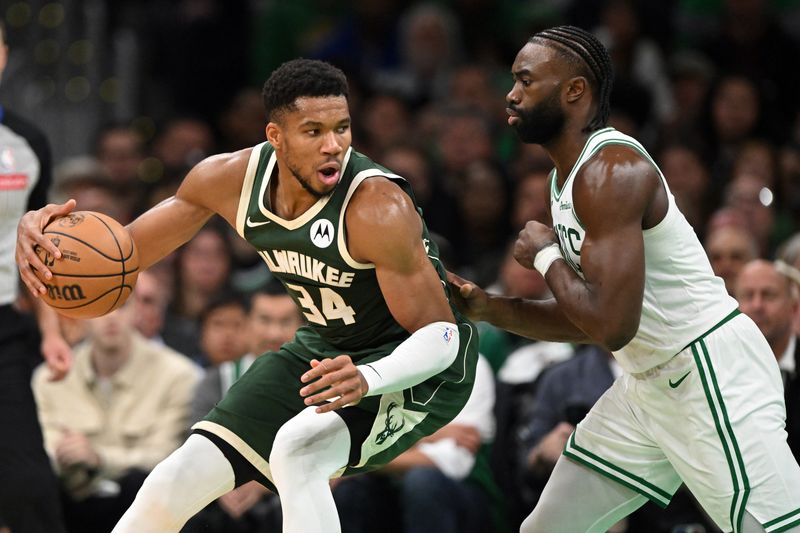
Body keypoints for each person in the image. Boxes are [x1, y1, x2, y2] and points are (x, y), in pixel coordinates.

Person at [17, 58, 477, 533]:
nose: (333, 145)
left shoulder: (377, 207)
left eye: (342, 128)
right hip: (325, 351)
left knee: (297, 452)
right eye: (313, 131)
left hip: (415, 369)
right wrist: (42, 243)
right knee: (172, 480)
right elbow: (121, 256)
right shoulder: (227, 180)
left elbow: (442, 336)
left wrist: (368, 375)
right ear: (275, 137)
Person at [448, 26, 800, 533]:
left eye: (525, 80)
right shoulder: (564, 180)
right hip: (648, 384)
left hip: (708, 373)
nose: (512, 94)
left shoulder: (612, 169)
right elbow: (594, 317)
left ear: (574, 90)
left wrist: (547, 256)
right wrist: (489, 309)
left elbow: (612, 326)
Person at [31, 300, 200, 533]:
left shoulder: (178, 375)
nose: (111, 317)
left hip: (141, 508)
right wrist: (70, 456)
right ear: (80, 315)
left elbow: (165, 457)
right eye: (100, 307)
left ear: (138, 311)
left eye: (122, 306)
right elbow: (43, 452)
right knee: (32, 484)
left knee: (141, 482)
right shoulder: (49, 378)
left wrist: (99, 458)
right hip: (70, 502)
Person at [1, 19, 70, 533]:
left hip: (5, 328)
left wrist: (51, 331)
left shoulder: (27, 143)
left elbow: (39, 246)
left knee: (30, 490)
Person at [735, 259, 800, 460]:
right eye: (748, 295)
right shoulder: (721, 368)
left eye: (768, 295)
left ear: (794, 306)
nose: (757, 305)